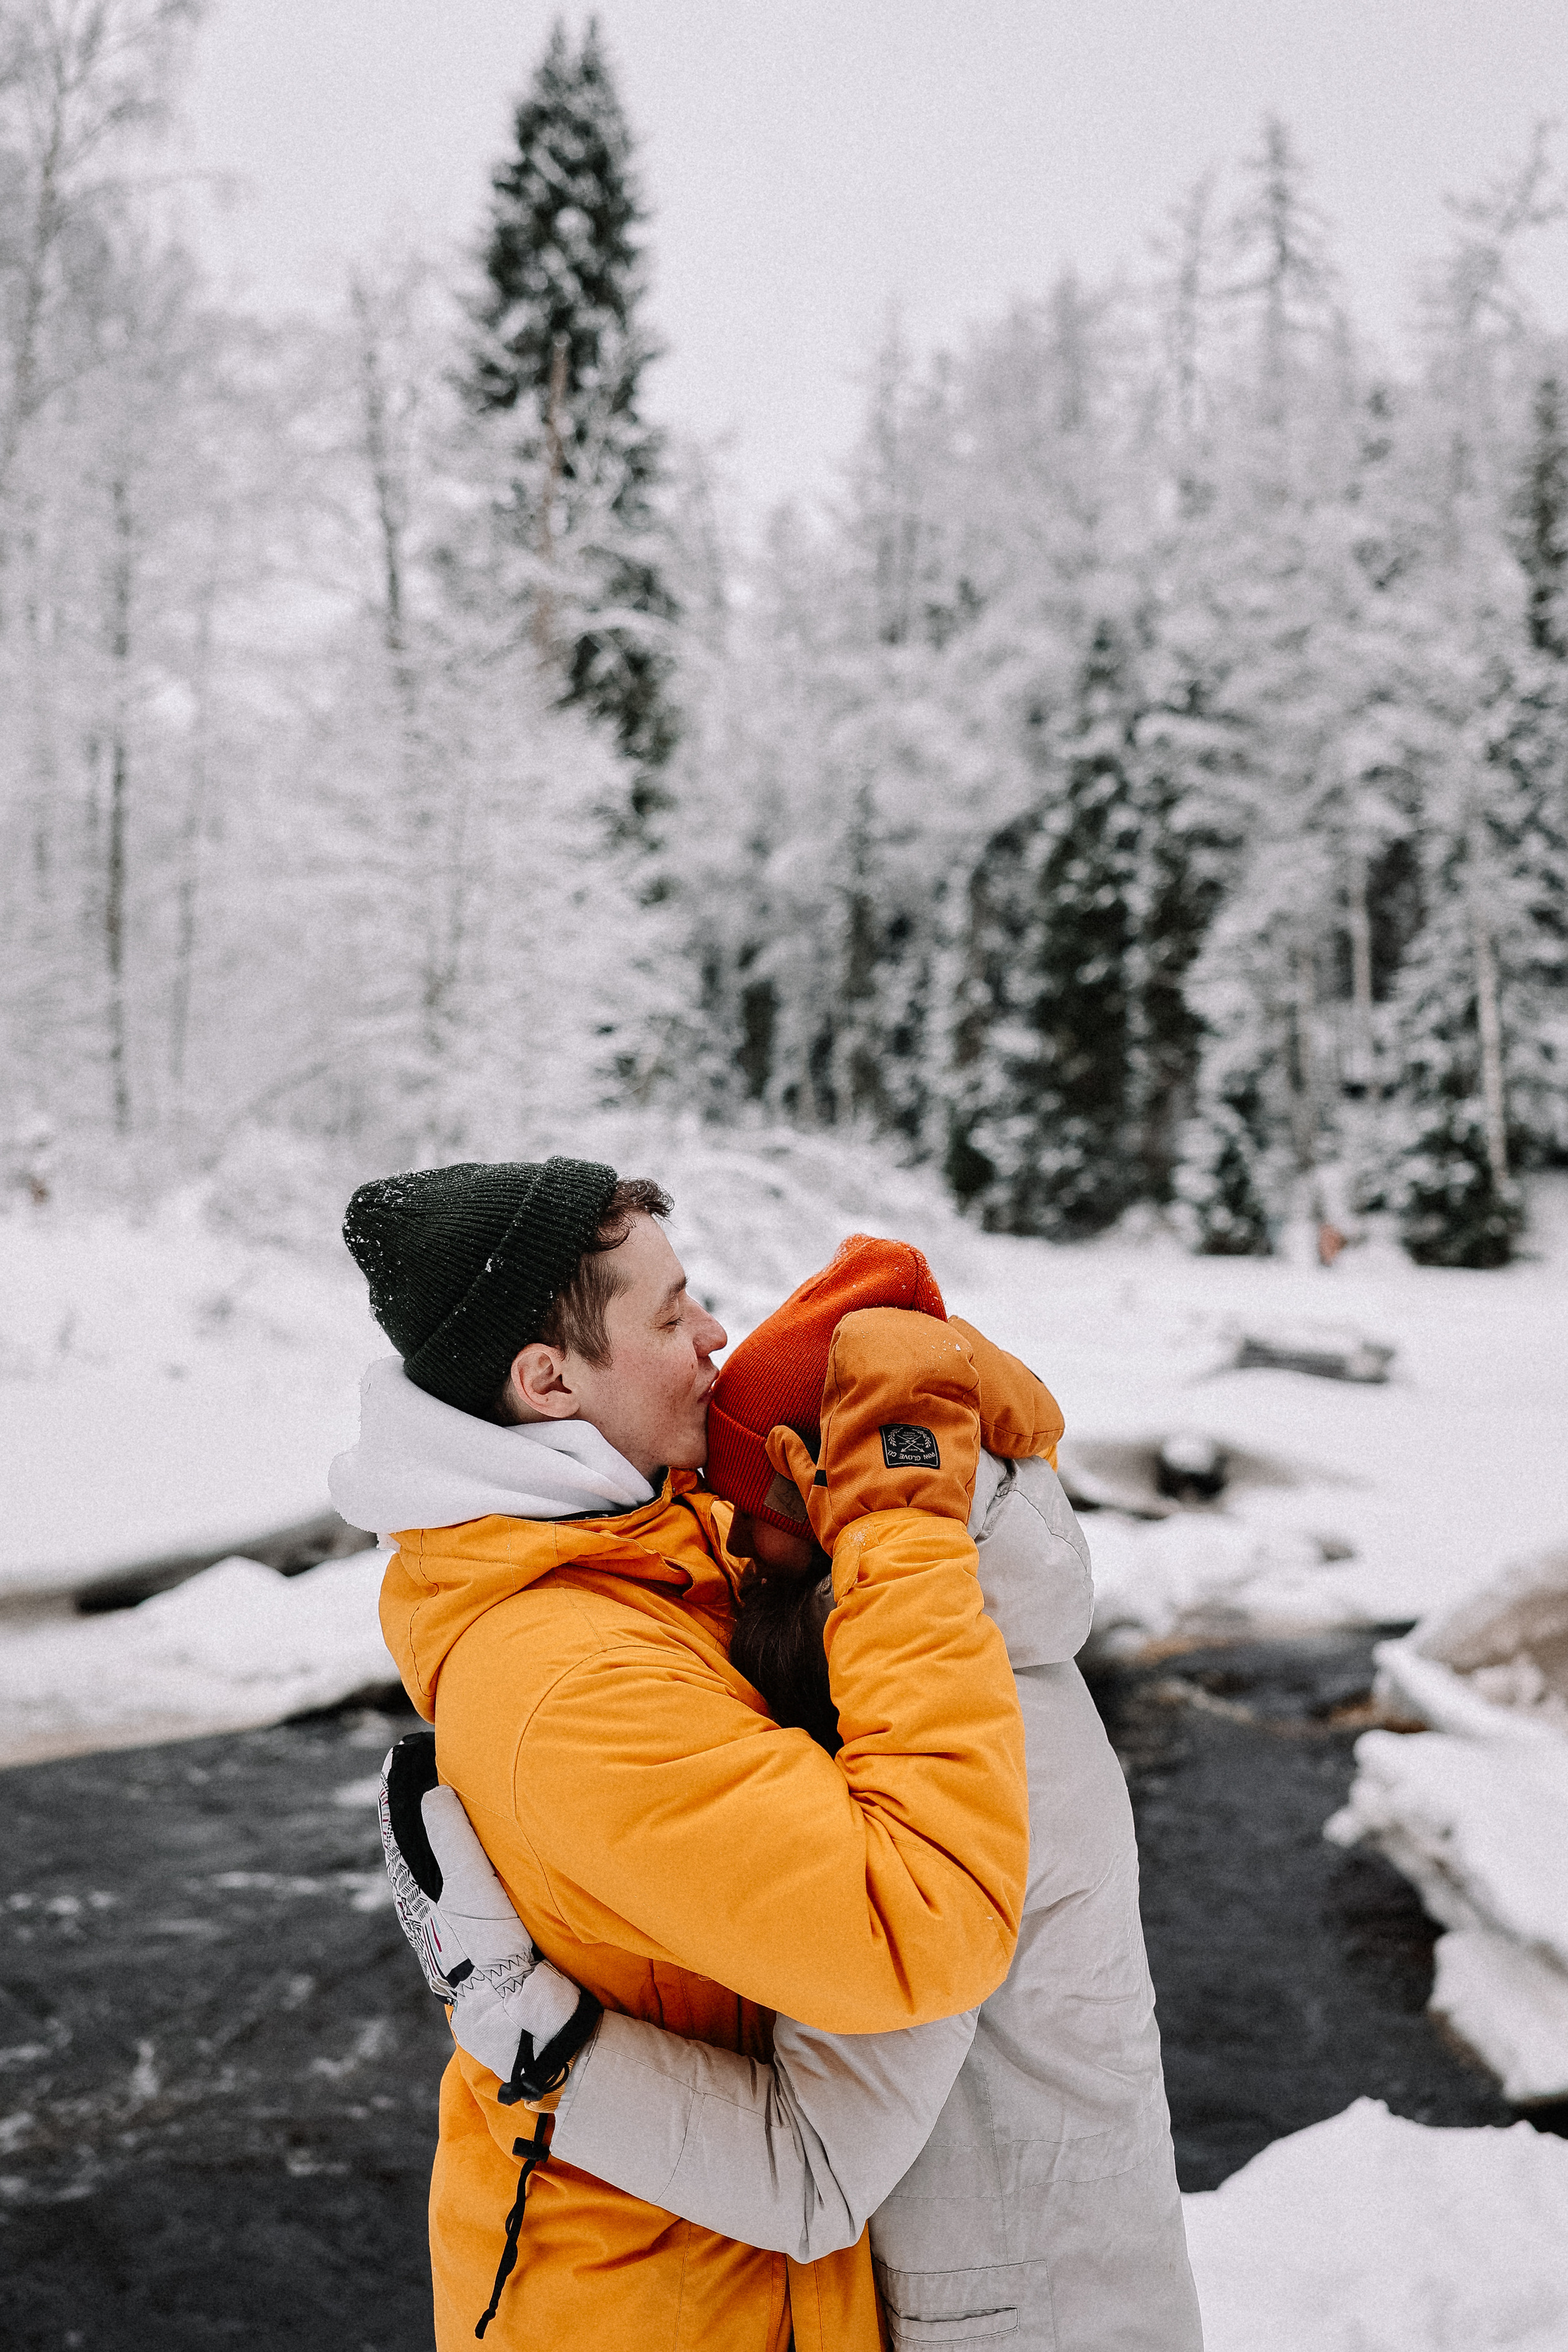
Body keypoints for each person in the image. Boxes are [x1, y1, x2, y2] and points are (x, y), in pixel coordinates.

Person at [385, 1234, 1204, 2351]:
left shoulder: (965, 1725)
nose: (716, 1530)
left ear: (826, 1498)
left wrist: (517, 2017)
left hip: (1018, 2318)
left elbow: (809, 2167)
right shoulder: (966, 1643)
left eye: (731, 1494)